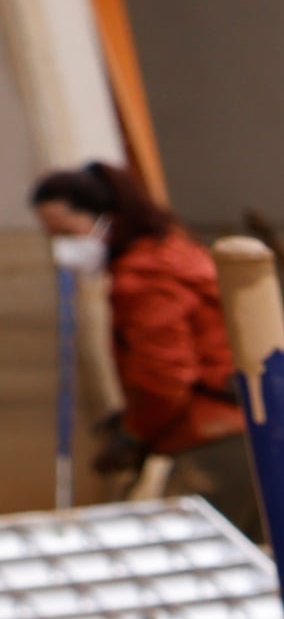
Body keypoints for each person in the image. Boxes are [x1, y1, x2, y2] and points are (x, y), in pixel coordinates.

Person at [31, 161, 256, 537]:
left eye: (67, 233)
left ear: (104, 218)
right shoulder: (171, 250)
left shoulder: (145, 276)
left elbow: (164, 375)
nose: (62, 249)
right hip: (231, 423)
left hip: (209, 433)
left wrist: (135, 431)